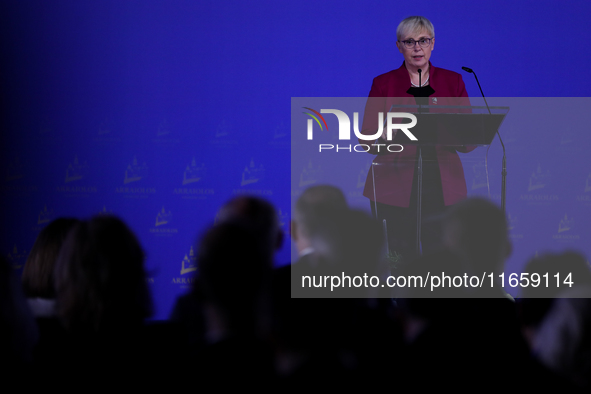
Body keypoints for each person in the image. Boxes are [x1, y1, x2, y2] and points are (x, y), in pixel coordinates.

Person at [359, 16, 475, 264]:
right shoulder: (383, 83)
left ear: (433, 44)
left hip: (442, 185)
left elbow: (469, 138)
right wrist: (394, 127)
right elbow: (368, 138)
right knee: (400, 260)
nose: (417, 47)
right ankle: (400, 303)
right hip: (394, 185)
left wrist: (454, 131)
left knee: (443, 261)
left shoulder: (453, 81)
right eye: (409, 41)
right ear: (399, 46)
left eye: (423, 41)